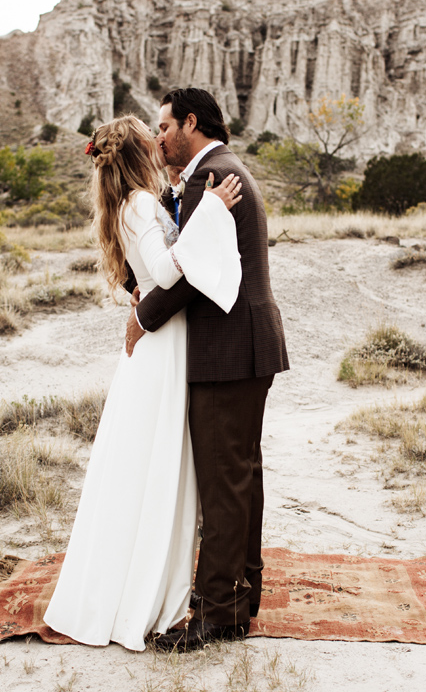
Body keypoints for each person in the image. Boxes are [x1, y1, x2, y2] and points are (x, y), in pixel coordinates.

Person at [42, 114, 243, 651]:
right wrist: (211, 215)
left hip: (163, 345)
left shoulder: (130, 204)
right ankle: (148, 594)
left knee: (149, 469)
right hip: (164, 350)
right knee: (161, 471)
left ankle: (142, 580)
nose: (160, 142)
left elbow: (146, 275)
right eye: (150, 137)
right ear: (139, 154)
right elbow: (168, 269)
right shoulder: (141, 204)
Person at [128, 88, 289, 652]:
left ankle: (216, 614)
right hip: (248, 345)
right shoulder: (225, 168)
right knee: (242, 474)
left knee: (223, 482)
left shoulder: (207, 178)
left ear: (190, 123)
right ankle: (242, 600)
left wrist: (143, 318)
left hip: (227, 351)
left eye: (164, 125)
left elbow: (188, 270)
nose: (158, 136)